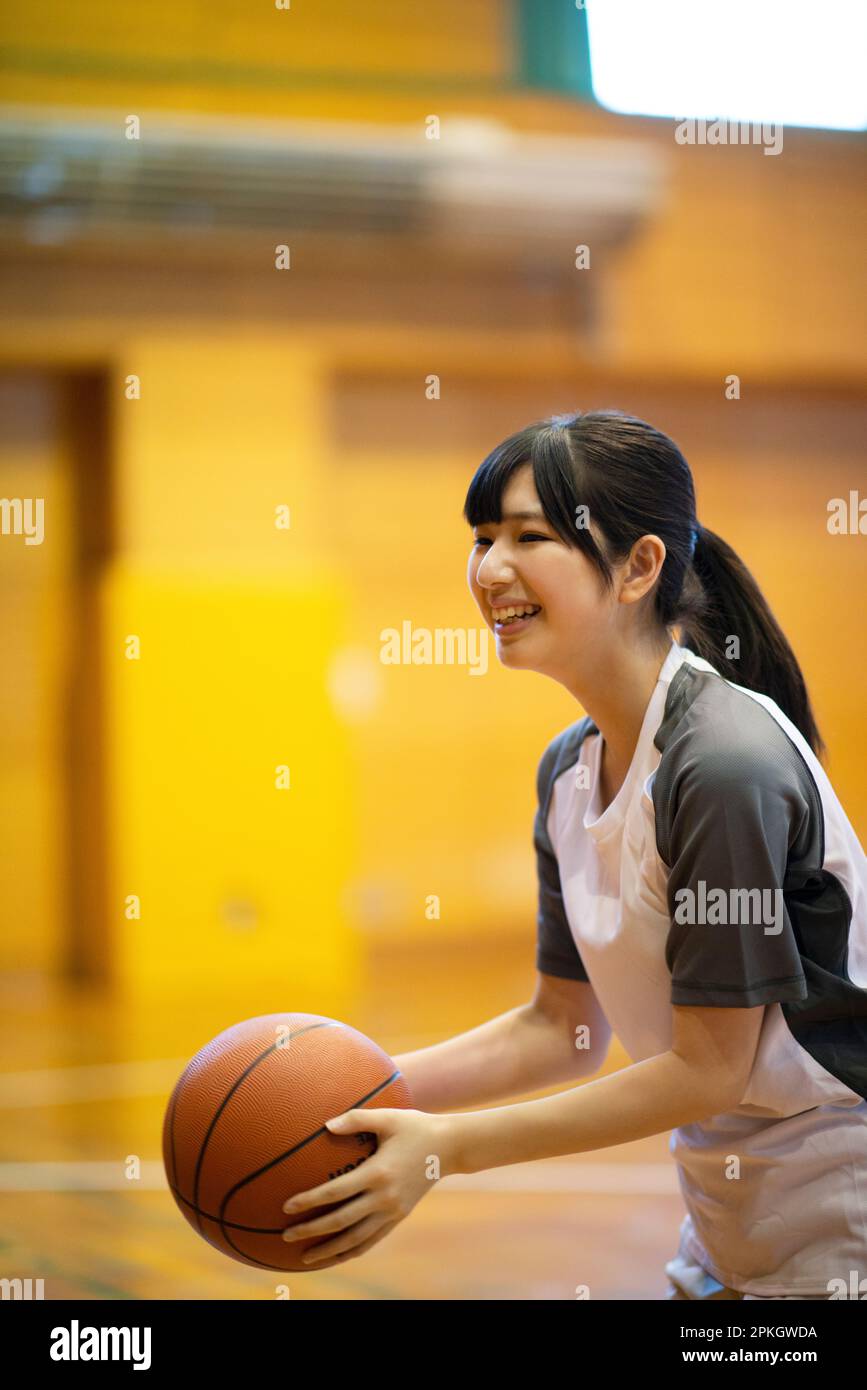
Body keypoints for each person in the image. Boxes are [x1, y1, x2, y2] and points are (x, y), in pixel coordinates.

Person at [280, 410, 867, 1299]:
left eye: (531, 536)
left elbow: (712, 1069)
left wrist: (450, 1150)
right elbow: (564, 1030)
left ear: (638, 567)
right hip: (729, 1215)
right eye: (482, 537)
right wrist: (353, 1095)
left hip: (840, 1215)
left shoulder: (720, 766)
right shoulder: (567, 768)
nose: (490, 568)